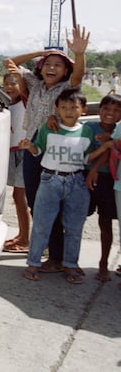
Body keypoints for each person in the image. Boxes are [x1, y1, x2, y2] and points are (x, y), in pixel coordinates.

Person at [4, 26, 89, 272]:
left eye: (58, 65)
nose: (52, 68)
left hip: (56, 152)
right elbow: (10, 62)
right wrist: (44, 51)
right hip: (33, 150)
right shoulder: (34, 83)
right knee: (35, 202)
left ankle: (59, 257)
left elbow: (78, 75)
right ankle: (51, 251)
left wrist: (79, 54)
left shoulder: (67, 89)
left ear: (65, 71)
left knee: (58, 205)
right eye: (48, 64)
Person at [20, 89, 101, 284]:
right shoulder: (48, 128)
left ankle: (70, 265)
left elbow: (86, 157)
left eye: (74, 107)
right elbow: (38, 149)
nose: (68, 111)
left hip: (77, 183)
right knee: (42, 224)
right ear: (56, 109)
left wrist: (104, 149)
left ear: (82, 110)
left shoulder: (87, 131)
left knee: (74, 227)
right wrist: (29, 146)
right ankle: (33, 263)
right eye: (63, 107)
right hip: (50, 181)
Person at [83, 93, 121, 281]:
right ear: (99, 110)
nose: (110, 113)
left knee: (105, 223)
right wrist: (92, 170)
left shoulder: (119, 130)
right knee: (76, 218)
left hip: (108, 181)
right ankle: (68, 260)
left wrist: (96, 169)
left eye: (116, 110)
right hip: (85, 176)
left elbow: (110, 151)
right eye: (106, 108)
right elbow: (84, 153)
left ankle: (103, 264)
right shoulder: (89, 127)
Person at [2, 72, 31, 253]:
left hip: (24, 152)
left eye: (14, 83)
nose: (9, 87)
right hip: (12, 152)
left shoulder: (25, 101)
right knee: (16, 197)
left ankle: (26, 239)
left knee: (21, 197)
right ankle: (22, 234)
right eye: (6, 83)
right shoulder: (6, 104)